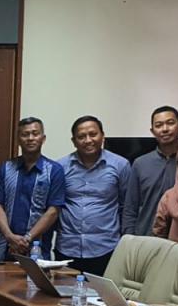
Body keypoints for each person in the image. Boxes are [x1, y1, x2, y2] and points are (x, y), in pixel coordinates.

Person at [56, 116, 131, 276]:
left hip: (106, 248)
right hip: (68, 248)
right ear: (74, 141)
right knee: (64, 298)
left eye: (93, 134)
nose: (88, 140)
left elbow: (126, 206)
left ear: (102, 136)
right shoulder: (60, 167)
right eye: (81, 136)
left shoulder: (120, 165)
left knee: (101, 298)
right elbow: (54, 207)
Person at [0, 117, 65, 261]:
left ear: (43, 138)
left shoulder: (54, 170)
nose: (30, 138)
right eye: (25, 134)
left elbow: (53, 211)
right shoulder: (6, 168)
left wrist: (27, 239)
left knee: (36, 284)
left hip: (38, 248)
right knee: (0, 283)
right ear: (18, 139)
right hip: (6, 246)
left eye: (35, 133)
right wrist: (10, 237)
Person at [123, 106, 178, 237]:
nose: (165, 129)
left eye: (170, 123)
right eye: (159, 125)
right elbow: (130, 208)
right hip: (146, 238)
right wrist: (129, 238)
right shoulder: (140, 164)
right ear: (152, 131)